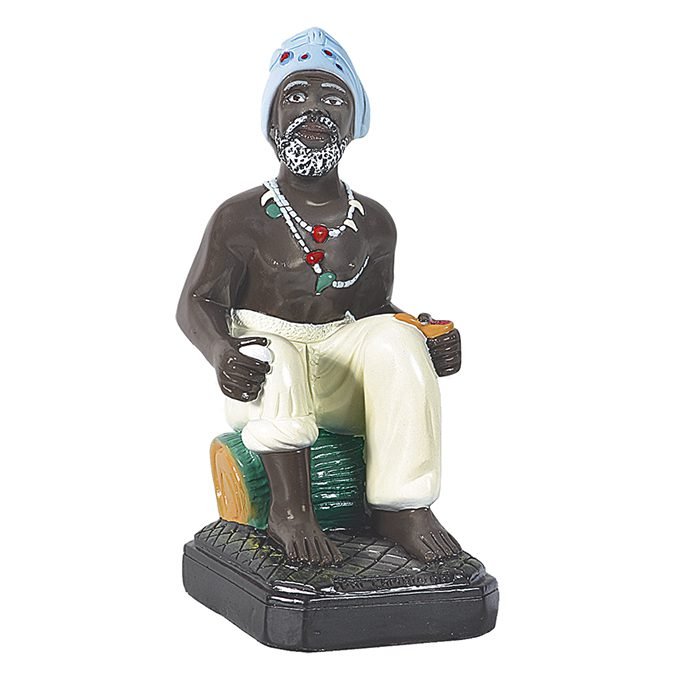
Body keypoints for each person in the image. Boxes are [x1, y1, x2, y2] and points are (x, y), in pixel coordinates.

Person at [177, 27, 462, 565]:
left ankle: (402, 507)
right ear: (272, 122)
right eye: (296, 96)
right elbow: (196, 301)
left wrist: (423, 335)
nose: (314, 109)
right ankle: (290, 511)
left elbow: (373, 311)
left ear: (353, 124)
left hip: (336, 363)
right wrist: (221, 351)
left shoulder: (373, 223)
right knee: (278, 356)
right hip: (264, 369)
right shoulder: (239, 217)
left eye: (333, 99)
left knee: (396, 341)